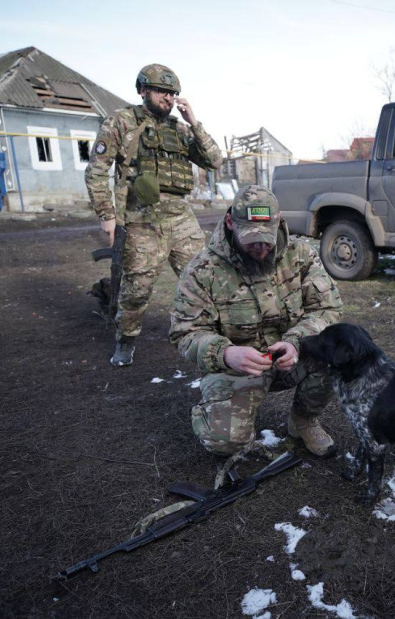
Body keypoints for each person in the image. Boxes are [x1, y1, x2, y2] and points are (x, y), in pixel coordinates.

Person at [170, 185, 343, 458]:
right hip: (238, 367)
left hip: (293, 357)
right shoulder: (202, 271)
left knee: (341, 351)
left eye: (267, 237)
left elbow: (328, 308)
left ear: (279, 221)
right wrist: (226, 353)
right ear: (230, 222)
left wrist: (296, 342)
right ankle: (234, 424)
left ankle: (303, 420)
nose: (261, 247)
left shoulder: (301, 255)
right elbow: (186, 333)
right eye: (251, 238)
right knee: (223, 442)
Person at [85, 64, 223, 366]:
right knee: (137, 289)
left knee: (205, 278)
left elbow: (214, 160)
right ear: (143, 90)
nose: (168, 97)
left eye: (172, 92)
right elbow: (97, 170)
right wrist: (106, 214)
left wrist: (194, 122)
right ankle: (125, 342)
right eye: (162, 91)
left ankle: (210, 336)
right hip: (142, 219)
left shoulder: (180, 129)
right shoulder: (121, 122)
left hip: (181, 217)